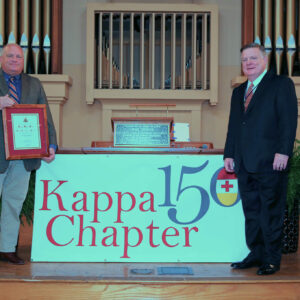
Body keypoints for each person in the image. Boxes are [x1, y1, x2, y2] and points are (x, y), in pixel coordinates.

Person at [224, 43, 298, 275]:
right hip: (245, 162)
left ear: (264, 60)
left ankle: (272, 259)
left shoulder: (280, 84)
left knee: (271, 212)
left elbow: (288, 120)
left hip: (271, 161)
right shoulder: (238, 91)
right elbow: (234, 126)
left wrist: (284, 151)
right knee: (252, 212)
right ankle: (256, 253)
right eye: (245, 59)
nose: (248, 63)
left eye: (253, 58)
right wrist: (229, 153)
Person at [0, 43, 57, 265]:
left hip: (23, 157)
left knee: (13, 204)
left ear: (24, 61)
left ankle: (6, 249)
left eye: (19, 57)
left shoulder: (34, 83)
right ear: (2, 58)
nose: (15, 59)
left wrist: (50, 145)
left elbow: (45, 116)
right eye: (10, 56)